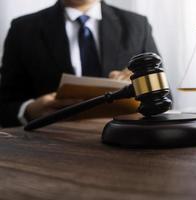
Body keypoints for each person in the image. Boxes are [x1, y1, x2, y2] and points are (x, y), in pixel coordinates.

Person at [0, 0, 159, 127]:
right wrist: (28, 111)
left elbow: (163, 96)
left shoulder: (137, 25)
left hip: (123, 139)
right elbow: (5, 106)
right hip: (51, 144)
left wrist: (142, 86)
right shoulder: (22, 29)